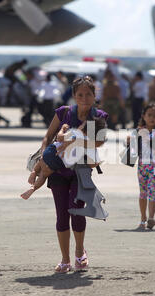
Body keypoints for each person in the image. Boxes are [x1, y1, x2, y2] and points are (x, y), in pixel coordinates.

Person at [39, 76, 108, 273]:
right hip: (58, 170)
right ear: (74, 96)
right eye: (80, 94)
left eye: (88, 94)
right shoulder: (64, 113)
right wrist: (44, 155)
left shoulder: (98, 115)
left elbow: (99, 143)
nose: (84, 98)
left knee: (76, 209)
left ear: (95, 96)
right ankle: (64, 259)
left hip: (81, 171)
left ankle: (79, 251)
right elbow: (48, 136)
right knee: (62, 214)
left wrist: (75, 139)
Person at [21, 118, 106, 200]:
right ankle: (33, 188)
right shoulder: (90, 146)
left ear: (83, 127)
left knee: (42, 160)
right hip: (60, 162)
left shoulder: (74, 132)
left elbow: (59, 137)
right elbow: (94, 163)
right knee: (44, 174)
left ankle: (34, 172)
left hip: (52, 150)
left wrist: (62, 129)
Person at [127, 103, 155, 230]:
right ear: (143, 116)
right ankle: (143, 218)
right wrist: (129, 140)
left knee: (152, 191)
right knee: (143, 192)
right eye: (149, 115)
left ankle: (151, 218)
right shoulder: (137, 131)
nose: (152, 118)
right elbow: (131, 147)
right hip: (142, 165)